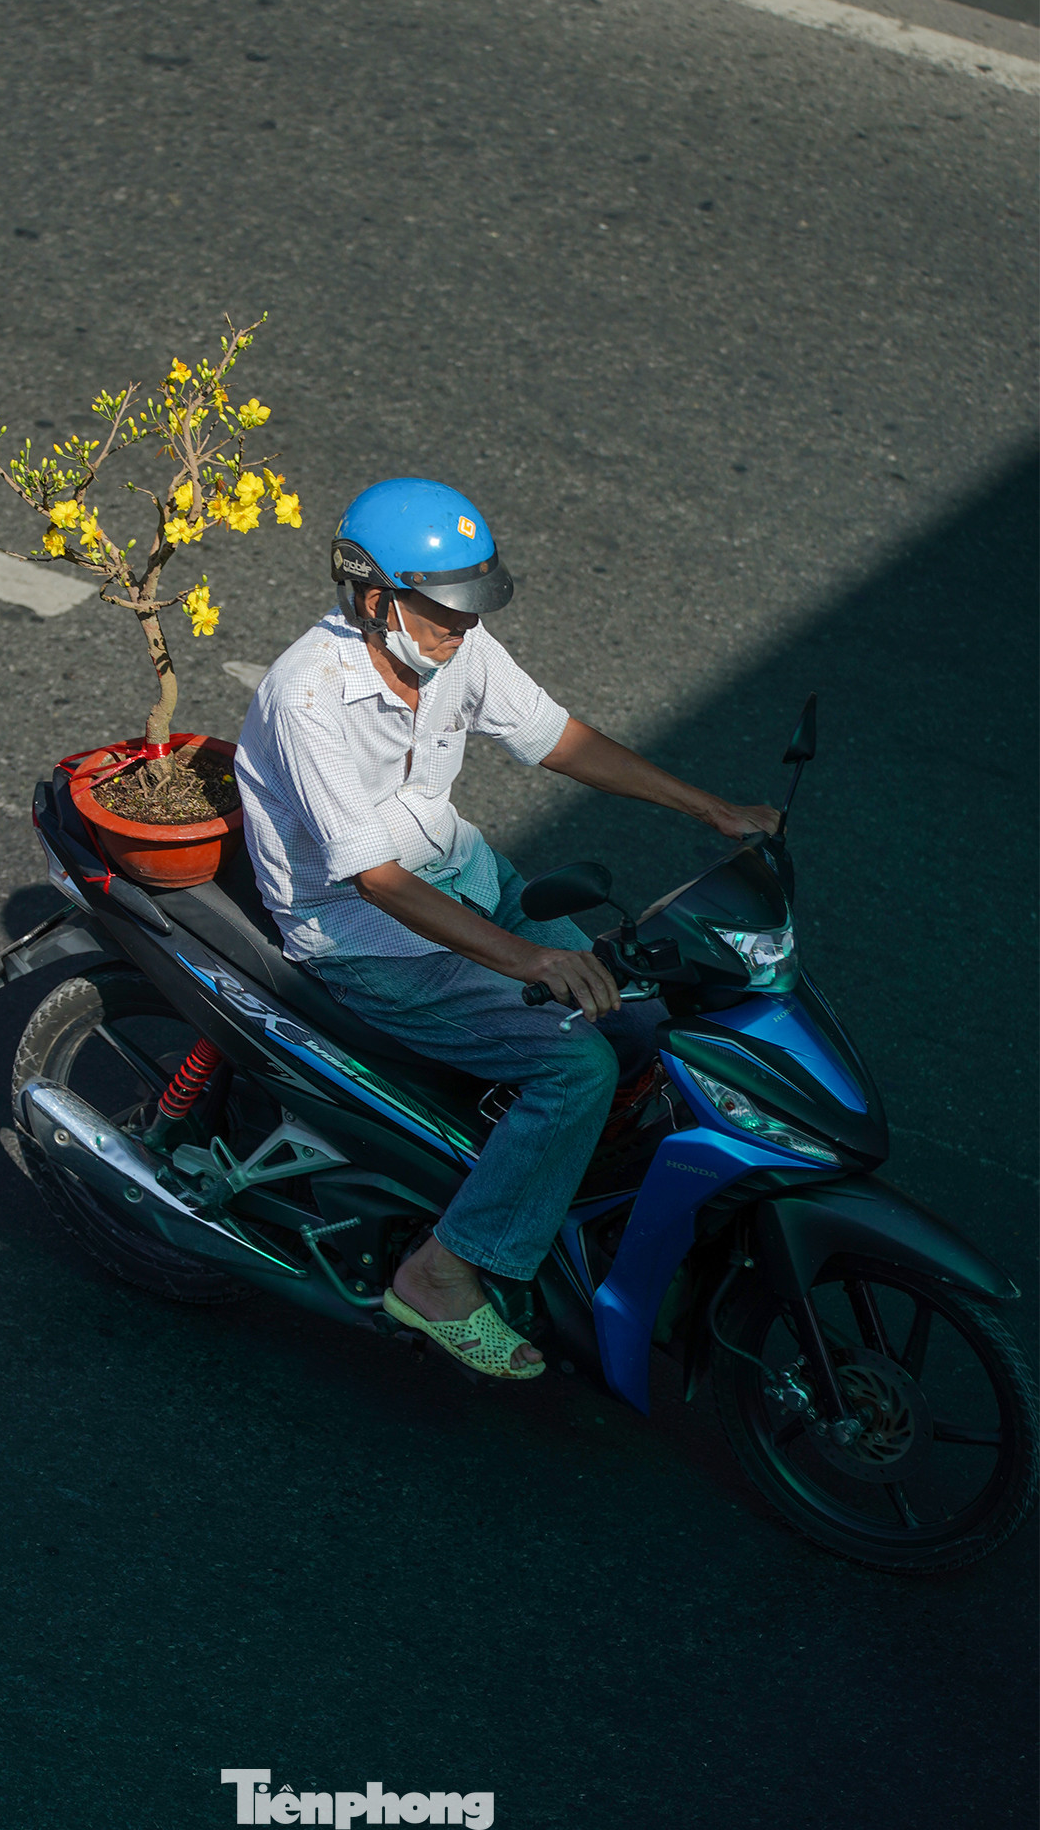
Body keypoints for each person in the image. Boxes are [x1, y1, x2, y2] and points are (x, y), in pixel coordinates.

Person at [233, 479, 778, 1378]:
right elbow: (375, 882)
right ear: (375, 600)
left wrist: (707, 808)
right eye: (446, 612)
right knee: (575, 1065)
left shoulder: (452, 650)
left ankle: (551, 1182)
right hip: (369, 941)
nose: (463, 629)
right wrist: (532, 958)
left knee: (647, 1004)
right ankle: (441, 1273)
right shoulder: (309, 699)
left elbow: (554, 736)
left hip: (467, 877)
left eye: (473, 608)